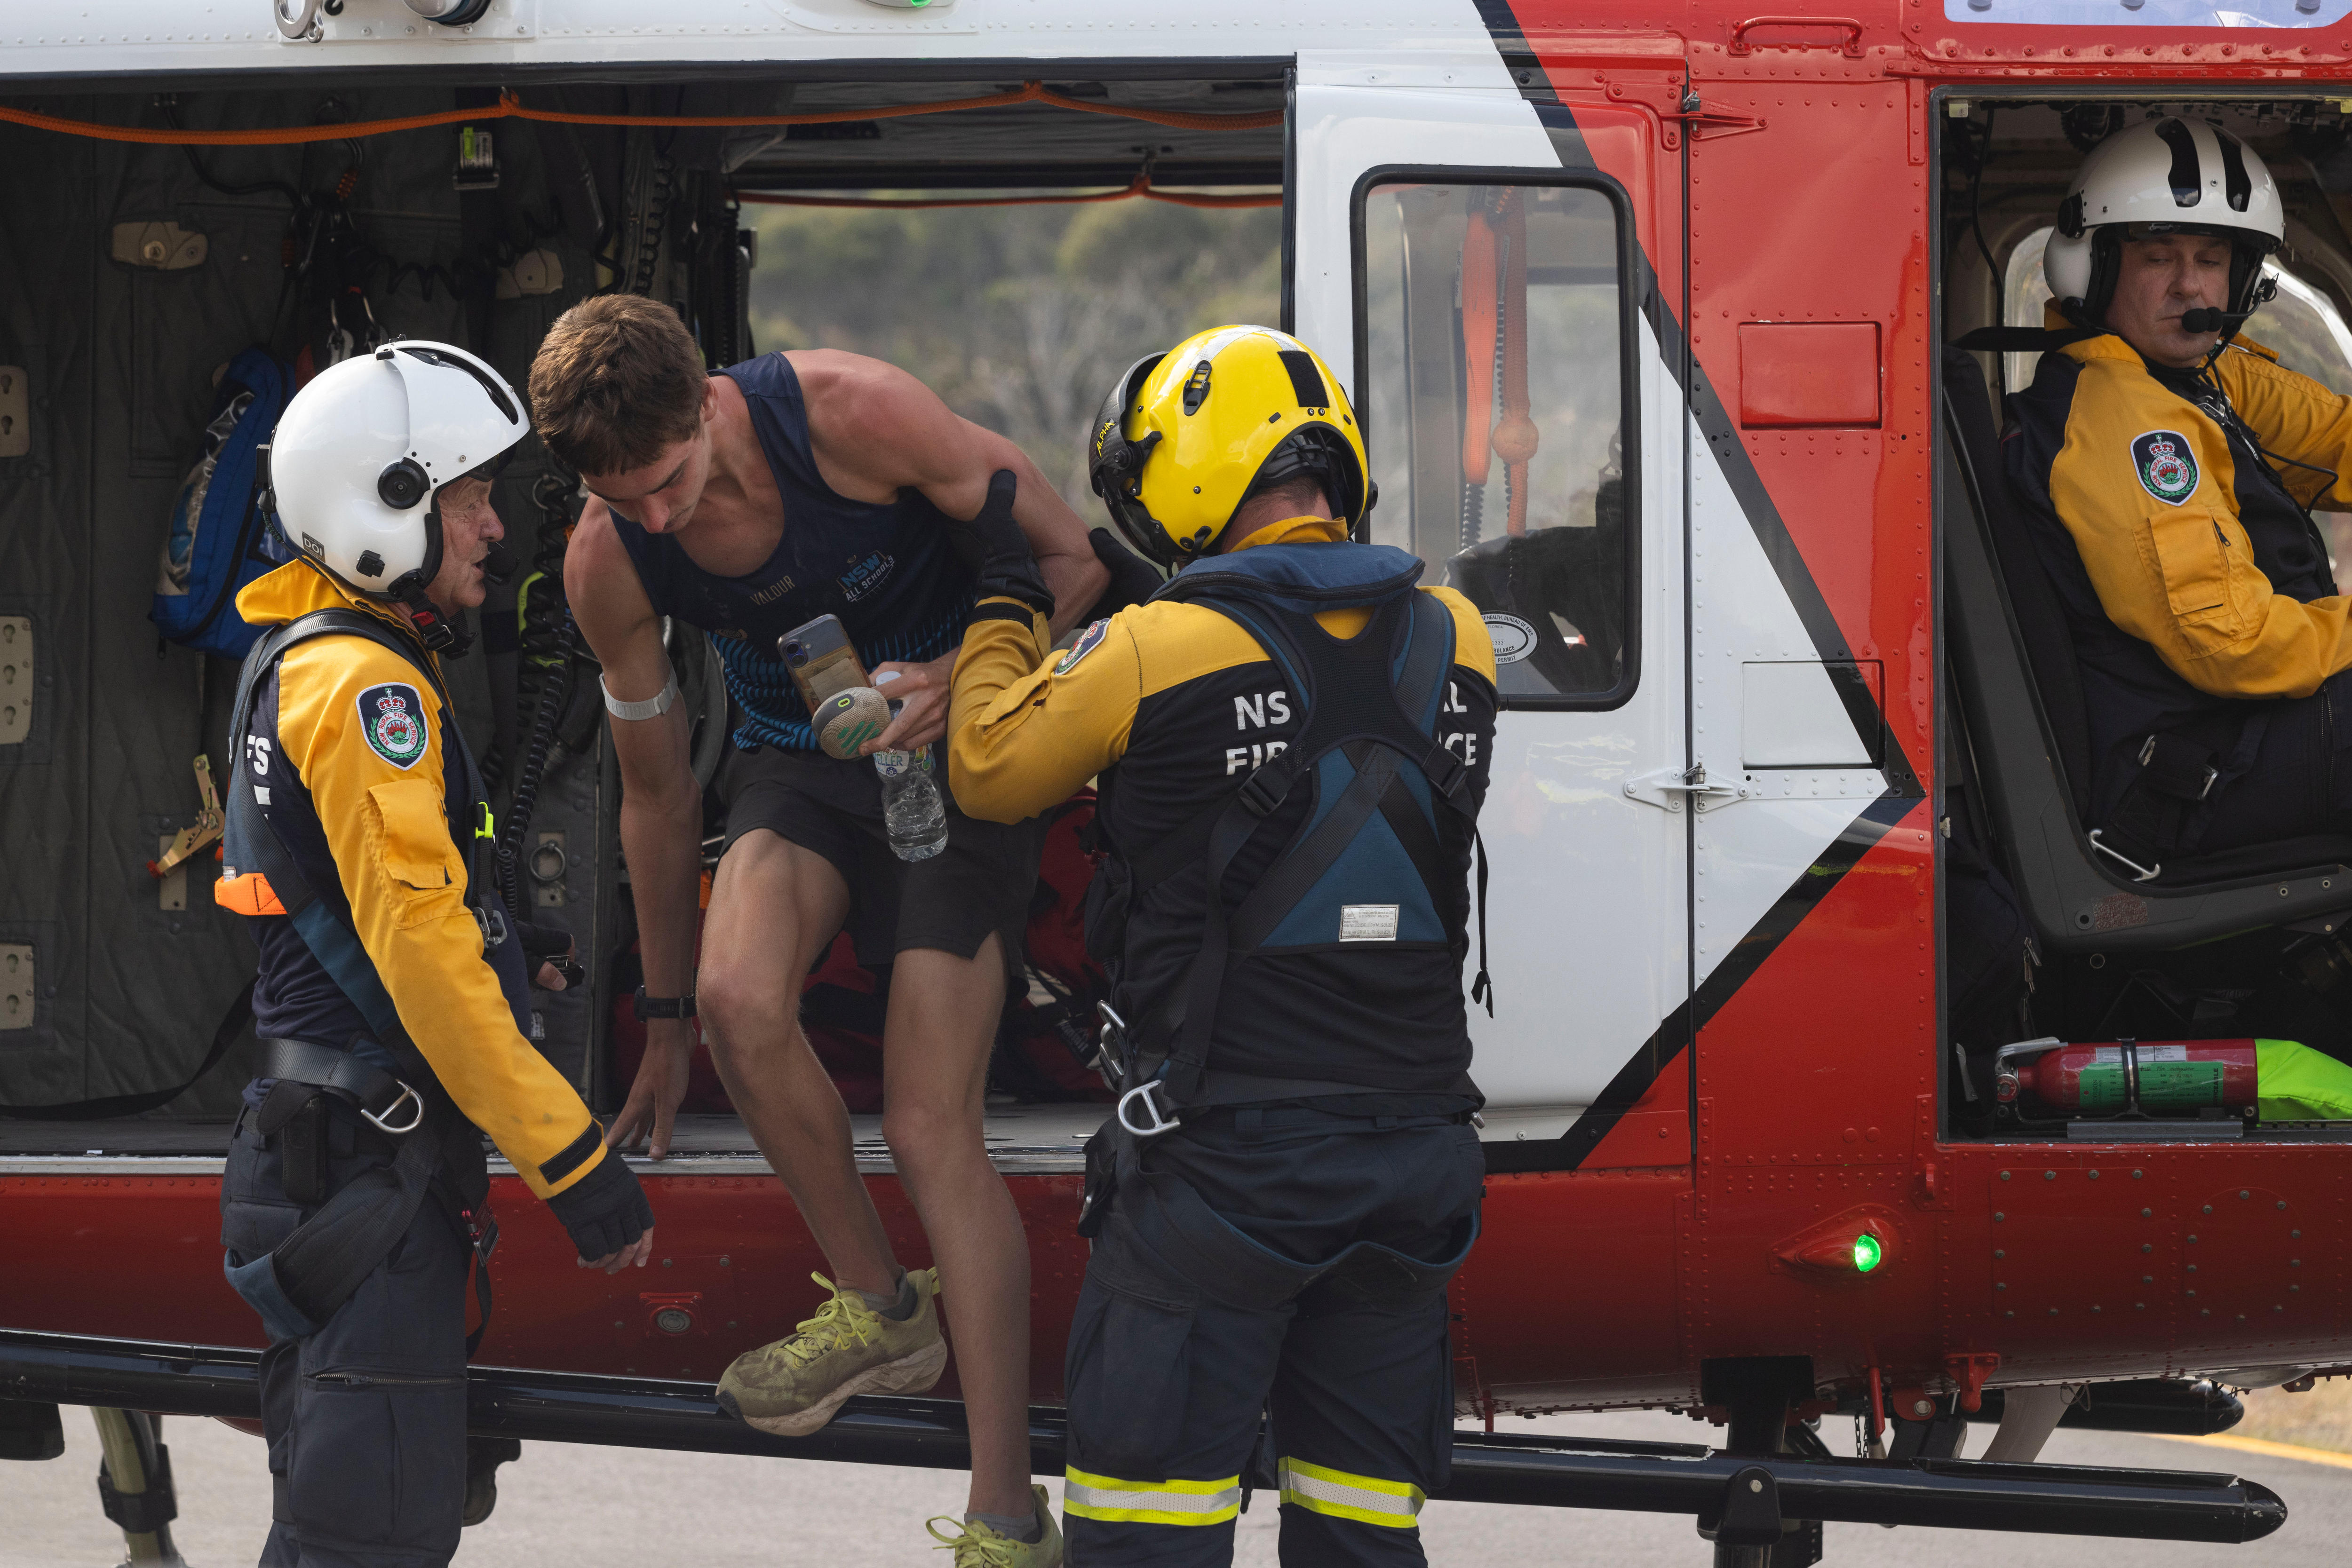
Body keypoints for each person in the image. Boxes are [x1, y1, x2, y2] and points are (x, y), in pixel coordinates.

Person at [531, 294, 1108, 1561]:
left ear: (708, 403)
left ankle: (1006, 1509)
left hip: (962, 758)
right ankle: (880, 1305)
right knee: (742, 1002)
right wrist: (667, 1026)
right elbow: (657, 787)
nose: (660, 518)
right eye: (626, 500)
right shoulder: (609, 557)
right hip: (802, 769)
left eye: (672, 481)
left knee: (924, 1120)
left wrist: (959, 676)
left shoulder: (853, 412)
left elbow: (1077, 568)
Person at [946, 325, 1497, 1566]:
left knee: (1151, 1538)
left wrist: (1001, 596)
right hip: (1416, 1160)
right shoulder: (1456, 635)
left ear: (1192, 473)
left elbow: (986, 768)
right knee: (1363, 1535)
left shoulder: (1162, 644)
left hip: (1228, 1164)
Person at [215, 340, 655, 1568]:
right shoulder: (366, 690)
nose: (493, 527)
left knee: (339, 1527)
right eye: (465, 499)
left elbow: (380, 906)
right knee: (368, 1536)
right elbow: (421, 962)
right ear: (380, 508)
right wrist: (573, 1158)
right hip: (363, 1167)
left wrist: (522, 945)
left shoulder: (301, 655)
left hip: (326, 1154)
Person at [2009, 116, 2352, 862]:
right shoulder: (2127, 420)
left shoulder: (2188, 377)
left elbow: (2330, 437)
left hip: (2235, 737)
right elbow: (2233, 644)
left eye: (2211, 257)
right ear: (2097, 270)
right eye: (2157, 257)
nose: (2191, 285)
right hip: (2192, 774)